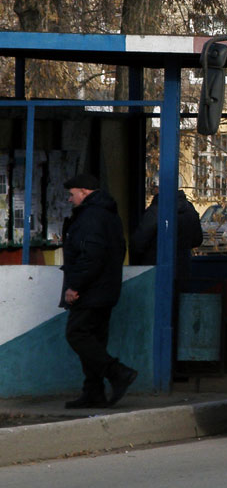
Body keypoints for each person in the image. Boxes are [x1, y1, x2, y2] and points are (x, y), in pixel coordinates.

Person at [59, 173, 137, 409]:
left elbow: (90, 256)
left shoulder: (91, 217)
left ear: (83, 191)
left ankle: (118, 372)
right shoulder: (107, 214)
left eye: (72, 195)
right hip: (105, 289)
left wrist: (75, 286)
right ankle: (93, 392)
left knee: (77, 334)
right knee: (94, 340)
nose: (70, 200)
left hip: (91, 291)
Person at [131, 189, 203, 280]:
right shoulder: (190, 210)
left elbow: (138, 242)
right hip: (183, 268)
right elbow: (197, 240)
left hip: (155, 269)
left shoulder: (156, 211)